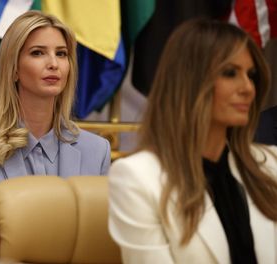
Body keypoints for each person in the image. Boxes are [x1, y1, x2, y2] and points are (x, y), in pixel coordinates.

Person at [108, 18, 277, 264]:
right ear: (190, 81)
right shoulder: (137, 178)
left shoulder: (270, 164)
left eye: (250, 75)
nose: (248, 87)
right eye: (230, 73)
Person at [0, 11, 111, 264]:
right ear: (13, 69)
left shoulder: (97, 149)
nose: (53, 64)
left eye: (61, 54)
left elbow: (100, 251)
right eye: (38, 53)